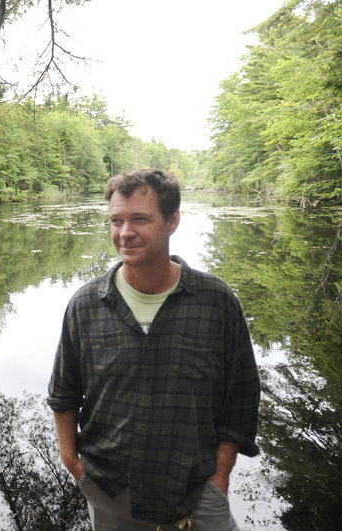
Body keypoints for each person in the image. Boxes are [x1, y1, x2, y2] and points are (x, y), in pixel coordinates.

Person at [47, 168, 260, 530]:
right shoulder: (85, 305)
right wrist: (73, 463)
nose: (125, 233)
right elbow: (63, 393)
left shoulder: (216, 302)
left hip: (198, 486)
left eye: (140, 219)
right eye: (116, 221)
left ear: (172, 220)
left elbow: (240, 395)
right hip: (110, 490)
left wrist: (221, 473)